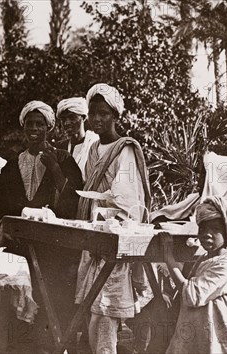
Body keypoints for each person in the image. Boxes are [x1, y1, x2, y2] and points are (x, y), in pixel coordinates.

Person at [73, 84, 151, 354]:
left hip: (115, 239)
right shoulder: (93, 150)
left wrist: (101, 204)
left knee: (105, 310)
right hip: (93, 237)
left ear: (116, 115)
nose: (96, 119)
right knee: (89, 306)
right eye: (93, 113)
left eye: (103, 113)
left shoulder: (124, 150)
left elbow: (129, 202)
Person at [160, 196, 227, 354]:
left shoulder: (225, 267)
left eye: (215, 229)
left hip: (214, 343)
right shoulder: (205, 258)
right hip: (194, 337)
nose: (207, 234)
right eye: (203, 228)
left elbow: (192, 295)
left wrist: (168, 258)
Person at [0, 101, 83, 222]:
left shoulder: (63, 158)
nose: (34, 128)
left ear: (48, 127)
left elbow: (75, 199)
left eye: (39, 124)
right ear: (23, 126)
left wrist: (55, 168)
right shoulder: (13, 164)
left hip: (52, 233)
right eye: (29, 123)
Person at [56, 97, 99, 180]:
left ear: (83, 117)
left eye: (72, 117)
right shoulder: (60, 146)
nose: (67, 123)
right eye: (63, 119)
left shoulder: (95, 144)